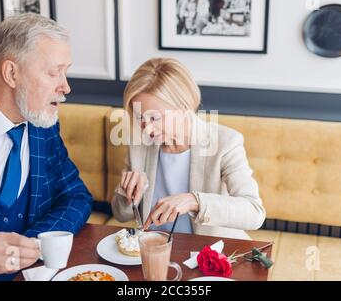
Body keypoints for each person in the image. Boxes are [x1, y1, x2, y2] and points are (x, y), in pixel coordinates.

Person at [0, 13, 93, 281]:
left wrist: (35, 243)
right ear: (11, 73)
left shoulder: (43, 125)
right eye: (53, 72)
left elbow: (76, 196)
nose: (65, 86)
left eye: (65, 71)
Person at [111, 58, 265, 240]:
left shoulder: (226, 143)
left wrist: (194, 200)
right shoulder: (139, 144)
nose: (147, 129)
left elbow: (254, 212)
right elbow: (121, 215)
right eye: (140, 117)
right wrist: (126, 191)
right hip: (156, 248)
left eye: (155, 118)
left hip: (209, 252)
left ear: (184, 108)